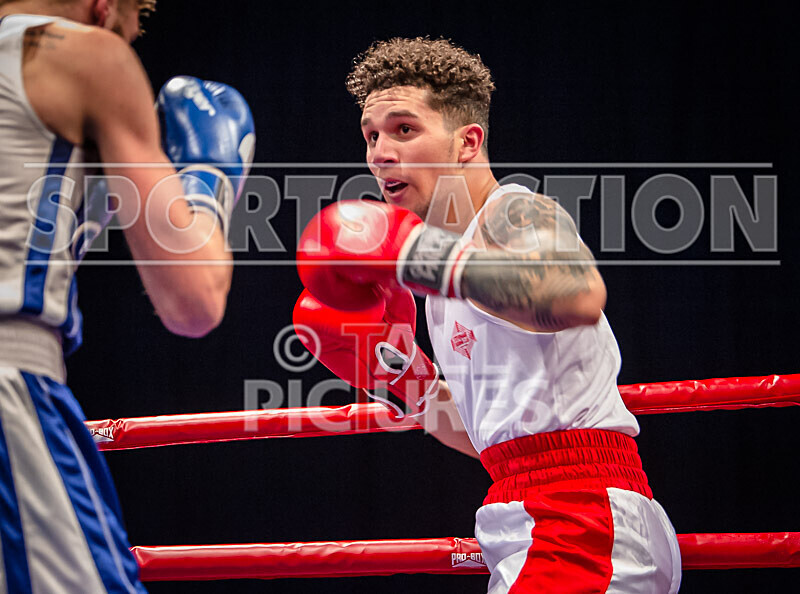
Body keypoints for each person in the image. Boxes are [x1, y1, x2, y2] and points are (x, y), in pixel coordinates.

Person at [293, 37, 681, 592]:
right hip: (529, 510)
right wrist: (402, 378)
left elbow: (577, 295)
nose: (380, 153)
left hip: (581, 517)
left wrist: (422, 257)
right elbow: (492, 442)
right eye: (371, 136)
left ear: (467, 142)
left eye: (404, 129)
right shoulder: (438, 284)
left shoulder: (514, 213)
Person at [0, 0, 254, 591]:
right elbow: (194, 299)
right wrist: (208, 178)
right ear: (104, 9)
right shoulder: (88, 55)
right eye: (130, 29)